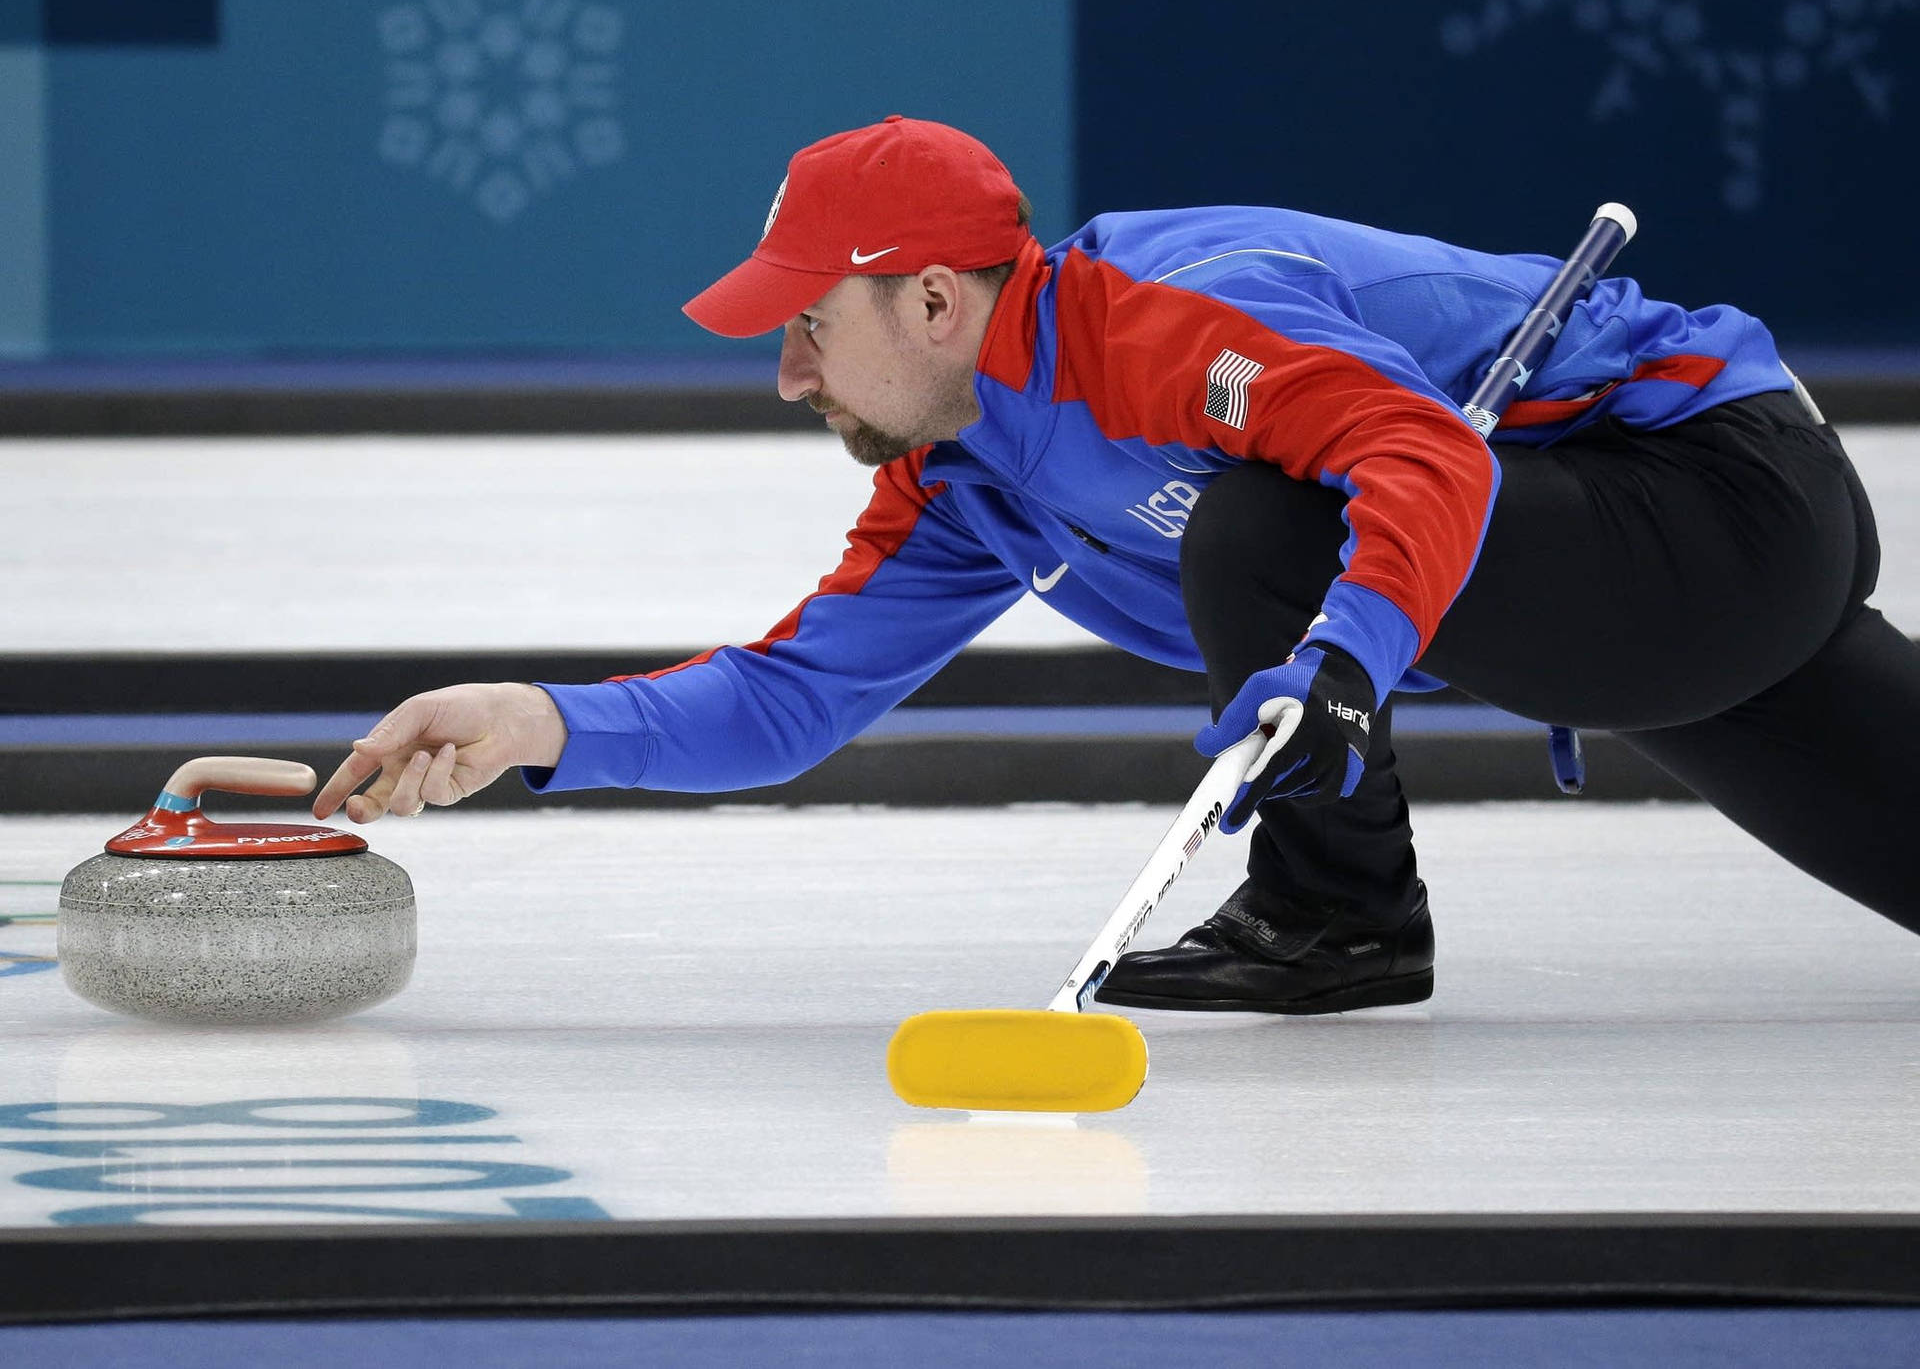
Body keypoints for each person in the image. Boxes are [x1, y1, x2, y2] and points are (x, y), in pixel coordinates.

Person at [315, 114, 1920, 1014]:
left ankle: (1335, 914)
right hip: (1636, 601)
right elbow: (798, 694)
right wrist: (540, 726)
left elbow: (1425, 456)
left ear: (937, 304)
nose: (791, 378)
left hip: (1711, 499)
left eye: (808, 329)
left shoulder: (1157, 319)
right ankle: (1337, 908)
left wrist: (1350, 657)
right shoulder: (962, 476)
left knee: (1265, 520)